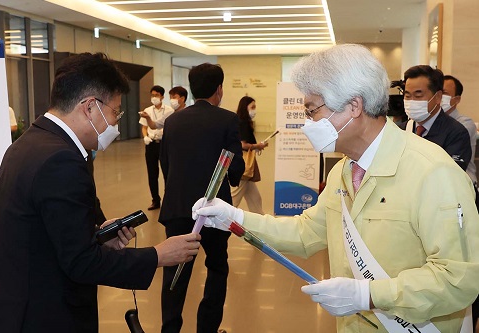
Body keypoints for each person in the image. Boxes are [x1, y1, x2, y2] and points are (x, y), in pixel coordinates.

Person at [193, 44, 479, 333]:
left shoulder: (433, 172)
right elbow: (306, 234)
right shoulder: (343, 170)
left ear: (354, 106)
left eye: (312, 110)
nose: (307, 123)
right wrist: (235, 218)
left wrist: (368, 295)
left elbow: (458, 279)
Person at [0, 53, 201, 333]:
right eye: (115, 112)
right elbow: (81, 263)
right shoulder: (60, 161)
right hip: (40, 315)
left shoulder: (30, 143)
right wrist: (158, 255)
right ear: (90, 107)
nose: (116, 123)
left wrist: (93, 235)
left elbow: (46, 232)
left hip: (10, 309)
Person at [159, 63, 245, 333]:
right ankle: (207, 329)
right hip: (213, 211)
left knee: (175, 272)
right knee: (217, 267)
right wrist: (232, 179)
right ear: (219, 89)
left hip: (178, 208)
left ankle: (170, 328)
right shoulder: (228, 119)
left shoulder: (173, 121)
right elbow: (235, 166)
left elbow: (165, 163)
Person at [443, 75, 479, 331]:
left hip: (462, 201)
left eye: (445, 92)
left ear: (455, 99)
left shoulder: (462, 125)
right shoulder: (413, 125)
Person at [401, 65, 471, 171]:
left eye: (418, 96)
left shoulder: (456, 133)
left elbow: (450, 175)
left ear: (438, 97)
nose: (412, 101)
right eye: (407, 96)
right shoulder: (401, 130)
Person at [139, 85, 174, 210]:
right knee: (152, 173)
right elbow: (144, 127)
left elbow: (165, 126)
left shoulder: (169, 110)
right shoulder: (147, 110)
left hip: (164, 144)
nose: (154, 97)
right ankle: (155, 200)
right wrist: (145, 137)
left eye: (156, 95)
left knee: (167, 172)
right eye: (152, 95)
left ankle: (168, 199)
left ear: (162, 97)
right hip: (151, 144)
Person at [231, 96, 268, 214]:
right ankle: (220, 219)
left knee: (255, 199)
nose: (254, 110)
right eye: (252, 107)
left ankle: (260, 222)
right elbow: (242, 145)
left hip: (247, 168)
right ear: (245, 108)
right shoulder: (243, 123)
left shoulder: (241, 122)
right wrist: (258, 146)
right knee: (234, 198)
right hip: (244, 166)